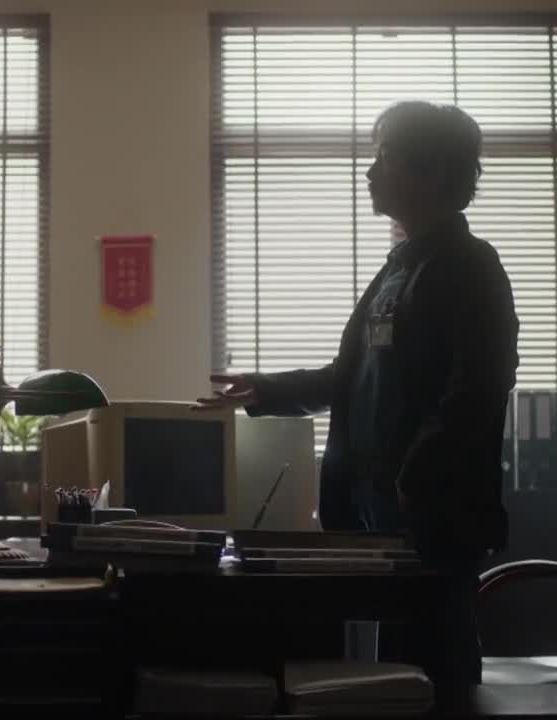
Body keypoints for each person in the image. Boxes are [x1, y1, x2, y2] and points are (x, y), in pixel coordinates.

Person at [197, 101, 519, 697]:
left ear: (430, 171)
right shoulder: (398, 269)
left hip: (430, 514)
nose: (370, 172)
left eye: (385, 158)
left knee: (436, 678)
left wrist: (414, 477)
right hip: (373, 510)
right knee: (387, 681)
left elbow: (477, 388)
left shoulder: (471, 265)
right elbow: (346, 378)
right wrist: (264, 389)